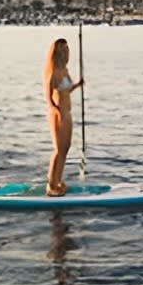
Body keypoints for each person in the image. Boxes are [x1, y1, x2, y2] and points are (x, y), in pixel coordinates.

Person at [43, 38, 83, 196]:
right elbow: (48, 99)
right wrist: (57, 111)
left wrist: (79, 85)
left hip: (67, 113)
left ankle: (58, 180)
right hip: (58, 114)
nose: (65, 53)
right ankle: (51, 185)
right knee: (58, 149)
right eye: (62, 50)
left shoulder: (65, 71)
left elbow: (67, 90)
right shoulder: (52, 73)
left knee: (65, 149)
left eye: (67, 50)